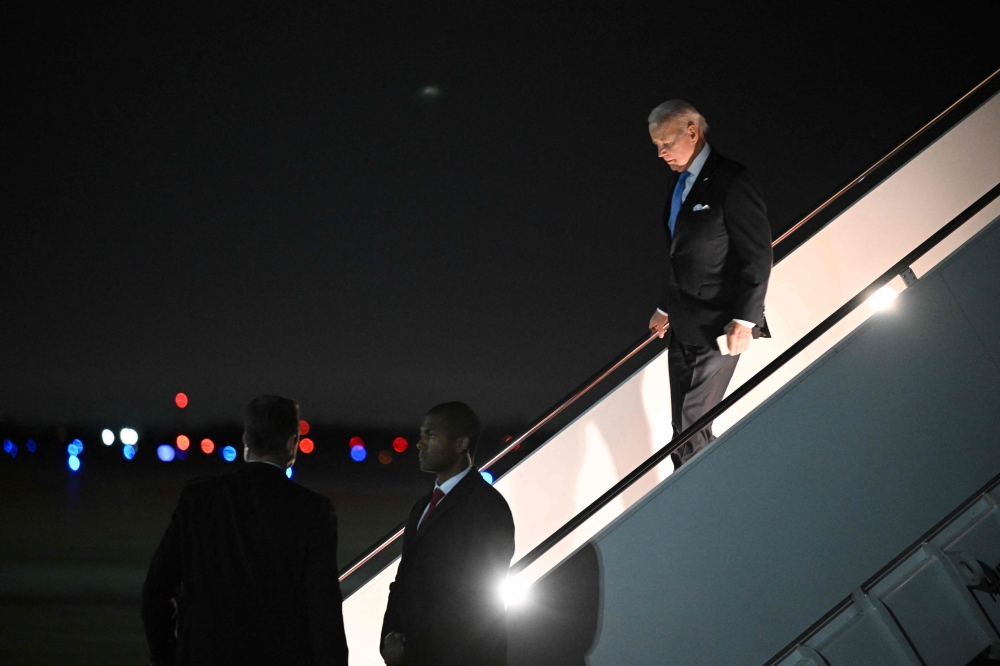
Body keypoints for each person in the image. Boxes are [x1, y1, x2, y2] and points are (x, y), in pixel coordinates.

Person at [141, 395, 349, 666]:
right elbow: (323, 613)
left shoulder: (198, 500)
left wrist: (171, 657)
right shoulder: (313, 511)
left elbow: (155, 593)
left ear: (246, 440)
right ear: (291, 443)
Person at [646, 100, 772, 468]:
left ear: (692, 131)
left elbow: (758, 255)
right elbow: (683, 255)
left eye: (666, 142)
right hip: (683, 325)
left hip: (720, 326)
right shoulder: (677, 183)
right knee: (682, 428)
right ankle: (711, 498)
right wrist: (665, 306)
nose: (661, 153)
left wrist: (745, 320)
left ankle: (698, 510)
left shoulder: (732, 179)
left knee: (690, 429)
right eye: (656, 145)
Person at [381, 402, 515, 666]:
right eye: (421, 435)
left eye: (430, 436)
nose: (420, 444)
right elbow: (402, 582)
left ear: (461, 444)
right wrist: (388, 637)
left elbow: (479, 598)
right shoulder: (422, 506)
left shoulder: (487, 507)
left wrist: (415, 648)